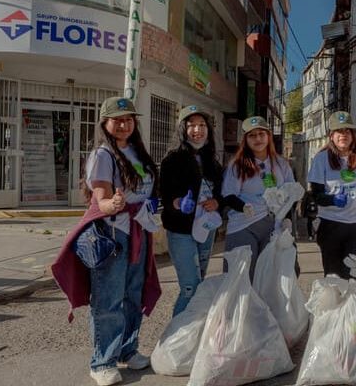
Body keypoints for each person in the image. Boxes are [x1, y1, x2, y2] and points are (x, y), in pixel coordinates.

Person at [52, 97, 161, 386]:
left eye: (128, 119)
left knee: (133, 294)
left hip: (139, 229)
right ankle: (102, 361)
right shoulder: (103, 155)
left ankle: (127, 350)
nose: (124, 124)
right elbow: (101, 200)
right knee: (108, 299)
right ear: (105, 123)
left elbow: (145, 191)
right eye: (117, 119)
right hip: (113, 234)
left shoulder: (136, 152)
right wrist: (111, 203)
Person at [159, 105, 225, 317]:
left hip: (205, 229)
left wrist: (217, 202)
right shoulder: (172, 159)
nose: (198, 130)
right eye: (192, 126)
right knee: (190, 287)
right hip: (181, 230)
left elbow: (221, 192)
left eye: (202, 125)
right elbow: (164, 194)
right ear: (183, 129)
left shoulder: (212, 161)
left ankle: (194, 337)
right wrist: (178, 203)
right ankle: (176, 339)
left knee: (200, 284)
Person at [307, 111, 356, 291]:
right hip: (330, 225)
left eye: (347, 131)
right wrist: (331, 199)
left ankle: (355, 316)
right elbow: (316, 195)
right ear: (332, 135)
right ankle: (334, 317)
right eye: (339, 131)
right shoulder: (321, 159)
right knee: (333, 275)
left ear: (353, 135)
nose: (343, 135)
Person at [222, 116, 294, 279]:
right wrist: (242, 207)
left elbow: (291, 193)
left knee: (269, 279)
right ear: (245, 140)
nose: (258, 139)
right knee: (242, 278)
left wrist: (288, 218)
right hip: (245, 224)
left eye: (261, 134)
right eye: (252, 135)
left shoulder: (281, 164)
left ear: (269, 136)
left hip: (274, 226)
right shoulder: (238, 164)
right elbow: (228, 195)